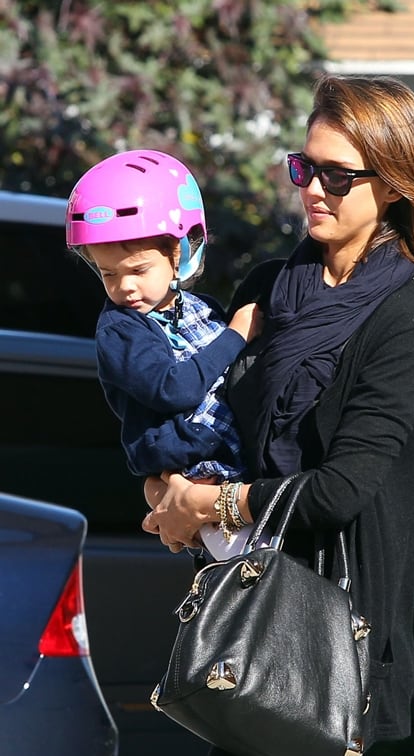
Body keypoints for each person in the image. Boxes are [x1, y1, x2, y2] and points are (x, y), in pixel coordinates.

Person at [142, 74, 414, 756]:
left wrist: (211, 503)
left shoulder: (403, 325)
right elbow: (209, 418)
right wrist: (169, 489)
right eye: (306, 168)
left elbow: (342, 488)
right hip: (252, 595)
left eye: (339, 175)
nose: (315, 190)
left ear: (392, 186)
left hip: (328, 628)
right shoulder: (270, 288)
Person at [65, 149, 263, 558]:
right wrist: (237, 334)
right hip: (191, 461)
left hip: (225, 459)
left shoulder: (200, 308)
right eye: (108, 274)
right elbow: (174, 389)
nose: (125, 288)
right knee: (248, 570)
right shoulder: (119, 330)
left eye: (138, 270)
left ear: (179, 254)